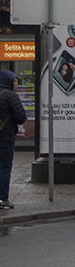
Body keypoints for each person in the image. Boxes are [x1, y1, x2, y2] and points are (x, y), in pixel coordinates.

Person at [0, 69, 30, 209]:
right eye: (15, 82)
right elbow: (20, 117)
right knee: (5, 167)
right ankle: (2, 199)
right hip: (5, 138)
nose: (16, 85)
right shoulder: (10, 96)